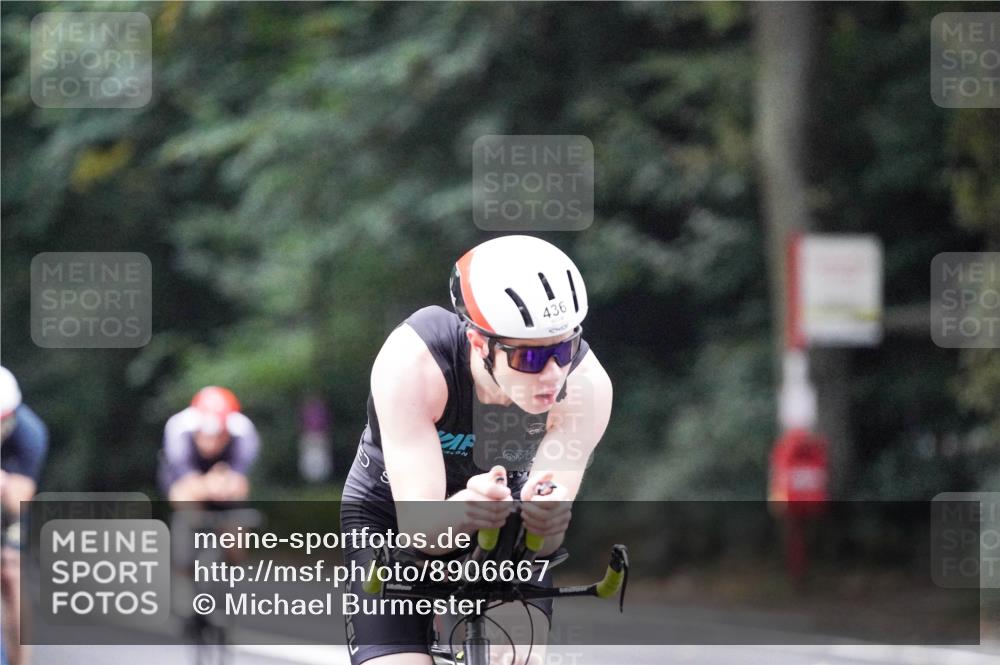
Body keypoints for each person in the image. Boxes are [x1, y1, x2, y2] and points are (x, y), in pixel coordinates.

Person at [341, 235, 613, 665]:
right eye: (530, 358)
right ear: (478, 342)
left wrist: (543, 518)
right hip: (392, 513)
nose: (554, 375)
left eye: (565, 348)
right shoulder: (413, 365)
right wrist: (466, 508)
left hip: (507, 519)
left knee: (516, 658)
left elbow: (543, 543)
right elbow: (421, 532)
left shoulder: (587, 389)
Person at [0, 367, 48, 665]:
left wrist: (3, 483)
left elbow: (20, 502)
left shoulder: (29, 432)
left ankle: (21, 659)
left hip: (7, 504)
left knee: (11, 571)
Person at [158, 386, 259, 505]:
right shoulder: (179, 430)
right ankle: (193, 521)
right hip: (186, 480)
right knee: (182, 494)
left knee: (238, 488)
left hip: (224, 479)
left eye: (219, 436)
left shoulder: (243, 433)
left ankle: (231, 520)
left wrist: (223, 483)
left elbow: (239, 476)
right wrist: (208, 486)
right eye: (206, 436)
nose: (211, 444)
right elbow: (183, 473)